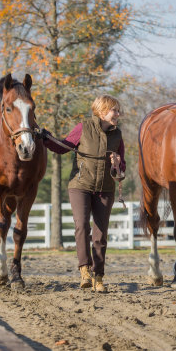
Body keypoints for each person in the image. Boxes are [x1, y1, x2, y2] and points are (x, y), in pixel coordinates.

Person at [43, 95, 126, 293]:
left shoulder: (117, 135)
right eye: (114, 110)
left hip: (105, 188)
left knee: (100, 234)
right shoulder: (84, 127)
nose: (118, 114)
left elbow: (121, 171)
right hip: (80, 185)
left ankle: (99, 276)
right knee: (81, 226)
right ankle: (84, 270)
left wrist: (117, 165)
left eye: (118, 110)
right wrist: (45, 138)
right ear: (102, 110)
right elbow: (63, 147)